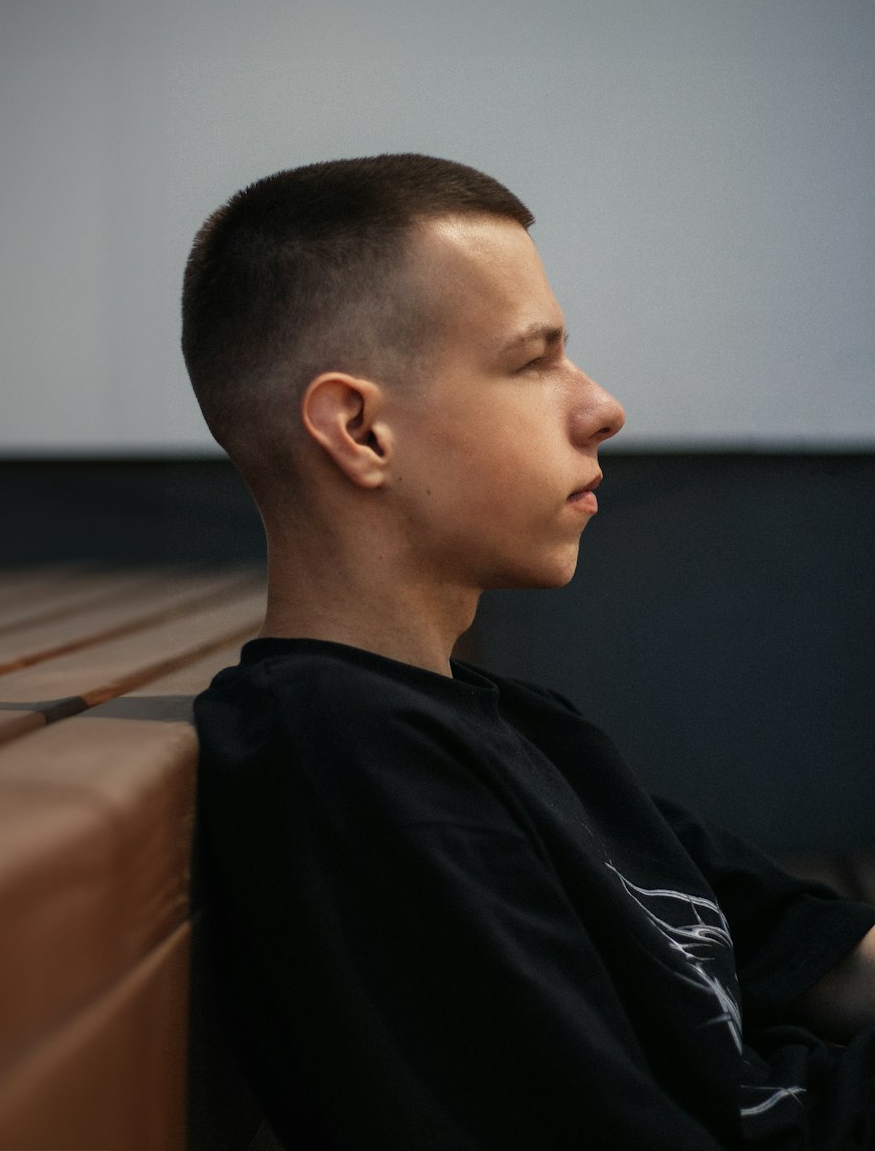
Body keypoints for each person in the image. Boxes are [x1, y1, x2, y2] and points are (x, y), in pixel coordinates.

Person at [181, 154, 874, 1149]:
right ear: (361, 429)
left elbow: (814, 952)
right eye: (531, 361)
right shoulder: (349, 760)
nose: (600, 408)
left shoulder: (517, 727)